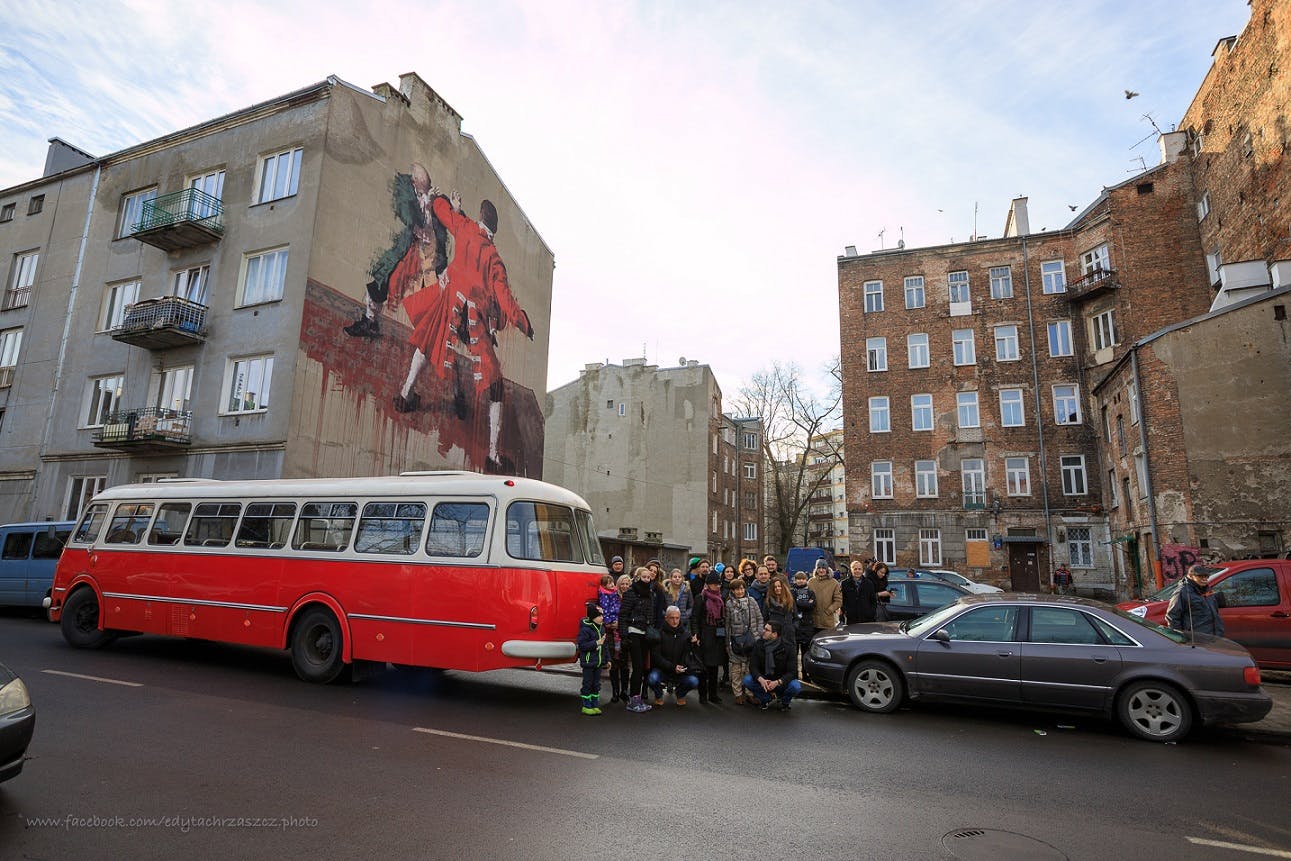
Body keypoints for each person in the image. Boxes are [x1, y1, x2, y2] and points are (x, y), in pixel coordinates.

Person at [400, 190, 536, 471]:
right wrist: (524, 323)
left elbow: (442, 212)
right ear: (494, 230)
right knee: (495, 384)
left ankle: (404, 395)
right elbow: (505, 300)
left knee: (428, 342)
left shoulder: (465, 227)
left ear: (479, 218)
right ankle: (493, 455)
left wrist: (439, 199)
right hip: (474, 319)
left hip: (451, 304)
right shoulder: (495, 260)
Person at [619, 566, 658, 711]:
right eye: (644, 577)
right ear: (637, 577)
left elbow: (651, 615)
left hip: (645, 633)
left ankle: (638, 698)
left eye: (649, 577)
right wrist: (624, 636)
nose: (647, 579)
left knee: (643, 668)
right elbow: (623, 615)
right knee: (638, 667)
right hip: (633, 631)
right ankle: (634, 699)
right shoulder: (631, 593)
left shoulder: (651, 593)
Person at [647, 606, 701, 706]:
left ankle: (680, 693)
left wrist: (694, 645)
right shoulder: (658, 634)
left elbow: (689, 656)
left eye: (677, 618)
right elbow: (656, 657)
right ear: (666, 618)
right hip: (663, 670)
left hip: (680, 671)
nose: (675, 621)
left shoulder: (686, 634)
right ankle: (658, 695)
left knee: (694, 681)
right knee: (652, 679)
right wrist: (672, 667)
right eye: (672, 618)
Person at [743, 621, 802, 711]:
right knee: (747, 680)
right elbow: (753, 666)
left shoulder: (788, 647)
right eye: (764, 628)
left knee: (795, 686)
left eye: (766, 630)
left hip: (780, 681)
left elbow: (792, 672)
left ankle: (784, 702)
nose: (763, 631)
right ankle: (766, 699)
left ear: (774, 634)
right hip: (765, 681)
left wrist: (777, 682)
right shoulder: (759, 644)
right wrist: (761, 679)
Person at [723, 578, 764, 705]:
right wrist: (727, 643)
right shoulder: (729, 604)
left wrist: (758, 635)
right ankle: (738, 694)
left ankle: (749, 693)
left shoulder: (752, 601)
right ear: (732, 591)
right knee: (736, 669)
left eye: (741, 588)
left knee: (749, 668)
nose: (740, 591)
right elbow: (727, 625)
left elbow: (759, 618)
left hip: (752, 640)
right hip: (736, 641)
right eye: (737, 589)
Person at [691, 571, 727, 704]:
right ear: (707, 585)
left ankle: (713, 694)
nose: (716, 586)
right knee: (703, 667)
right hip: (705, 634)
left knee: (715, 667)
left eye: (718, 584)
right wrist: (696, 634)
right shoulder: (700, 598)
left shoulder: (721, 598)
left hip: (718, 634)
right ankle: (702, 695)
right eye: (713, 584)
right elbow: (694, 618)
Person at [1166, 564, 1225, 637]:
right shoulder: (1183, 592)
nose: (1204, 579)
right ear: (1190, 576)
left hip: (1215, 636)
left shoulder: (1207, 590)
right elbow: (1172, 616)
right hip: (1196, 639)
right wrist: (1180, 637)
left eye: (1206, 576)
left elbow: (1214, 611)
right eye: (1200, 576)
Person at [575, 603, 608, 715]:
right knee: (588, 684)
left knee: (596, 684)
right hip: (589, 662)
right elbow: (582, 645)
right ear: (592, 617)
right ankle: (586, 706)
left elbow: (605, 646)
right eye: (599, 616)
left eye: (602, 615)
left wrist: (607, 660)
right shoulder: (585, 630)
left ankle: (594, 705)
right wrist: (596, 643)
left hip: (598, 662)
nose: (602, 618)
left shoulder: (602, 628)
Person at [608, 573, 632, 702]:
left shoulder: (632, 598)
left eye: (627, 584)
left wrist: (621, 623)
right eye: (622, 584)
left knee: (625, 664)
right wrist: (612, 622)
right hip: (612, 634)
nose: (624, 586)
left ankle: (624, 691)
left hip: (626, 634)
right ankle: (615, 692)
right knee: (614, 663)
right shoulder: (613, 597)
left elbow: (634, 615)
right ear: (618, 585)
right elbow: (608, 610)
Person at [808, 559, 842, 634]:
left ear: (827, 569)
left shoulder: (834, 583)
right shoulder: (811, 582)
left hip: (828, 621)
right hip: (814, 621)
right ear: (816, 569)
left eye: (823, 568)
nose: (821, 570)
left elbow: (838, 601)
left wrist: (829, 611)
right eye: (819, 568)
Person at [764, 574, 798, 650]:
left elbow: (796, 618)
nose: (777, 588)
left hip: (788, 635)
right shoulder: (768, 602)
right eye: (775, 587)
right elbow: (765, 618)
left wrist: (792, 628)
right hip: (774, 636)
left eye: (779, 586)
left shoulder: (790, 601)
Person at [791, 570, 817, 663]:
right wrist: (805, 603)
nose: (800, 581)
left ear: (806, 580)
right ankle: (794, 676)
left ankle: (805, 676)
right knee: (793, 654)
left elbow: (812, 606)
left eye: (802, 579)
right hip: (795, 626)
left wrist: (798, 603)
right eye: (798, 579)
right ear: (795, 580)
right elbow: (791, 605)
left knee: (806, 654)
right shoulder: (792, 592)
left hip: (807, 626)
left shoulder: (811, 592)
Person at [841, 559, 877, 624]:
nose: (857, 571)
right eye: (855, 569)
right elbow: (842, 600)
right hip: (851, 619)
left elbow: (873, 601)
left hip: (867, 619)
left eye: (859, 569)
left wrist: (871, 613)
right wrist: (846, 611)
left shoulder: (869, 583)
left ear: (862, 570)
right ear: (851, 570)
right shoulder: (844, 584)